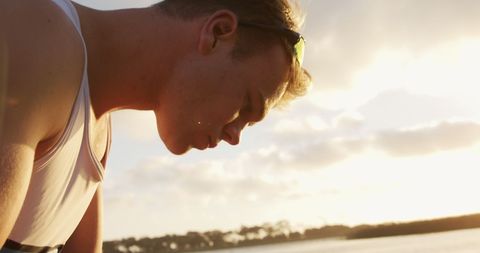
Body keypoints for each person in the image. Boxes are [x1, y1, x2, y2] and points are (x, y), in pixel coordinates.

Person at [0, 0, 311, 252]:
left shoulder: (95, 131)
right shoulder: (36, 39)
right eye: (246, 106)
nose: (235, 137)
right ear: (216, 32)